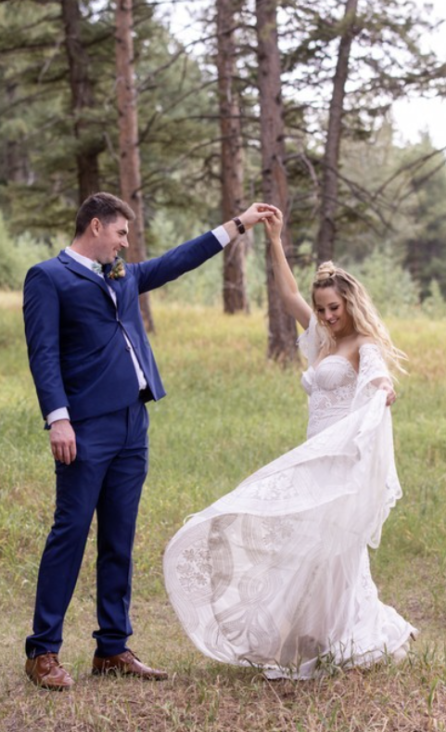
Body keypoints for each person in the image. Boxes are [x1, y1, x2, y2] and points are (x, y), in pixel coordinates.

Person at [22, 192, 278, 690]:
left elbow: (178, 260)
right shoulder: (47, 277)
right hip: (84, 427)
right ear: (95, 226)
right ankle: (43, 652)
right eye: (120, 233)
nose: (126, 243)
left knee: (120, 538)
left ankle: (112, 648)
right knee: (70, 534)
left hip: (133, 425)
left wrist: (238, 225)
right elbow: (43, 352)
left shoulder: (124, 274)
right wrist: (59, 419)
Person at [163, 210, 417, 679]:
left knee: (335, 546)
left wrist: (383, 390)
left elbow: (380, 376)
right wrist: (275, 239)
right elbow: (288, 296)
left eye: (333, 309)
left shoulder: (362, 343)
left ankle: (349, 632)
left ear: (350, 305)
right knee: (306, 543)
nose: (325, 316)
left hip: (339, 458)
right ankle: (312, 631)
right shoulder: (319, 339)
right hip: (312, 454)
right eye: (321, 309)